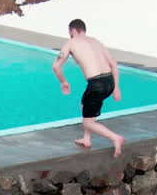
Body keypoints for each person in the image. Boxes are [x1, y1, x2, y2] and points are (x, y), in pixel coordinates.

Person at [52, 18, 125, 158]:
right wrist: (116, 87)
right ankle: (87, 139)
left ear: (72, 31)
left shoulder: (71, 42)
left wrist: (63, 82)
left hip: (96, 84)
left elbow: (56, 66)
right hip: (109, 80)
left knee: (89, 122)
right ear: (84, 30)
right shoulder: (96, 42)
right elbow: (113, 64)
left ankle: (115, 138)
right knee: (83, 105)